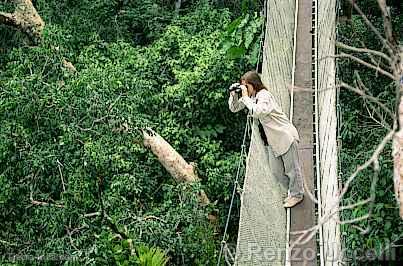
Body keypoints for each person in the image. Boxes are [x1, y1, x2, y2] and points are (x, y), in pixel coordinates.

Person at [228, 70, 305, 208]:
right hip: (271, 142)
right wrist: (234, 95)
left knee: (292, 169)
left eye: (246, 86)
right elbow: (234, 108)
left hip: (284, 136)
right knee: (276, 172)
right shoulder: (251, 98)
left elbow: (258, 112)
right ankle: (292, 191)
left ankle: (297, 194)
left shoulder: (264, 96)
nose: (244, 89)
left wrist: (245, 97)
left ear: (253, 84)